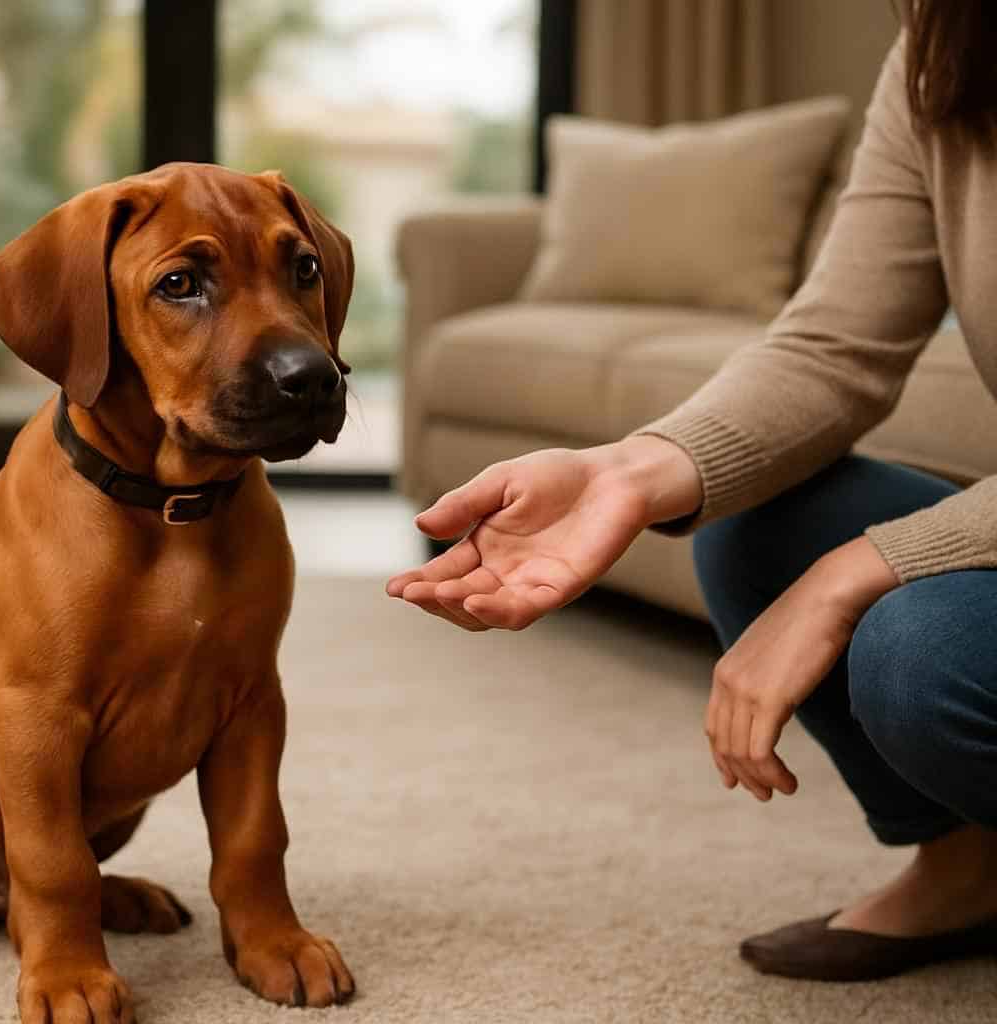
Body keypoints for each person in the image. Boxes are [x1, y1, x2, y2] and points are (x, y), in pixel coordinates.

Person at [386, 1, 997, 983]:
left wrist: (857, 572)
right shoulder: (944, 43)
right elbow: (835, 345)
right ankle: (971, 868)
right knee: (755, 518)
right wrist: (623, 472)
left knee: (915, 647)